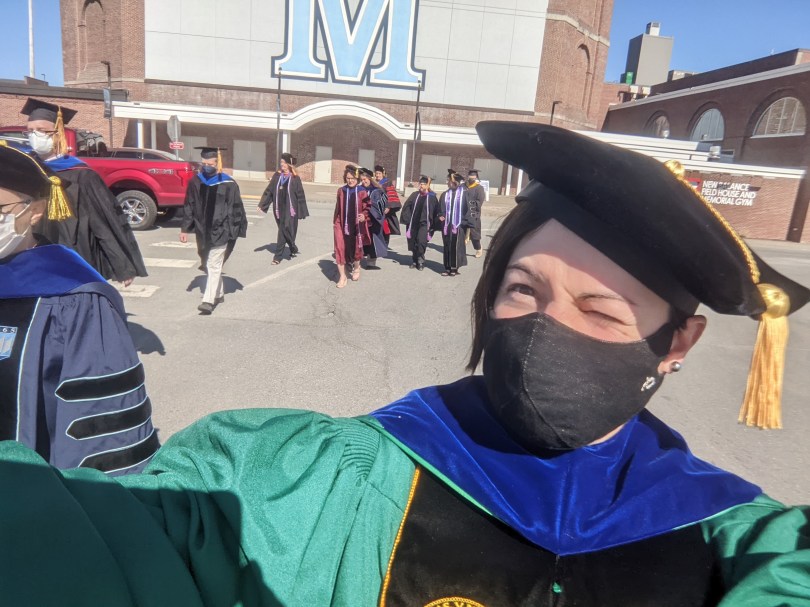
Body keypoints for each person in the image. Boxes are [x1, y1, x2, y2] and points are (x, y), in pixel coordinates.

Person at [1, 121, 810, 607]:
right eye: (523, 289)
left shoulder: (738, 543)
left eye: (601, 310)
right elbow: (107, 531)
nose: (544, 328)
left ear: (675, 345)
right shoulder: (325, 478)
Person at [0, 141, 159, 475]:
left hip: (28, 500)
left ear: (36, 211)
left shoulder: (76, 299)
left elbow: (102, 432)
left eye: (0, 209)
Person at [21, 98, 147, 285]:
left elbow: (104, 219)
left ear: (58, 133)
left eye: (41, 130)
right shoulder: (25, 169)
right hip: (33, 255)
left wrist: (122, 265)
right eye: (30, 131)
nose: (34, 136)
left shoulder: (81, 175)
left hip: (73, 253)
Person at [179, 147, 247, 315]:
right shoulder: (197, 181)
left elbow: (236, 209)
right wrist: (185, 228)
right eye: (204, 163)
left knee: (213, 263)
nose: (206, 166)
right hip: (203, 231)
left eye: (210, 163)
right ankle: (219, 293)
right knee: (210, 263)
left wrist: (233, 231)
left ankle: (208, 301)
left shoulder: (228, 183)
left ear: (217, 163)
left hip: (221, 230)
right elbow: (189, 205)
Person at [258, 152, 309, 265]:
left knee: (284, 229)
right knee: (284, 230)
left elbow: (300, 195)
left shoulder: (295, 178)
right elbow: (270, 191)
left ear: (289, 164)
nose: (281, 164)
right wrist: (262, 205)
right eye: (281, 162)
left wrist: (302, 211)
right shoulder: (277, 176)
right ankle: (292, 246)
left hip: (290, 209)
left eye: (283, 162)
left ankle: (277, 256)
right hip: (278, 208)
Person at [333, 167, 371, 287]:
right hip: (341, 223)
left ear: (357, 178)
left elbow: (368, 207)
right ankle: (343, 277)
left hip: (356, 225)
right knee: (339, 248)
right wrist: (335, 222)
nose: (350, 181)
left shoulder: (362, 191)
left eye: (353, 178)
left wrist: (364, 216)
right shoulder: (341, 191)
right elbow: (338, 208)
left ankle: (356, 267)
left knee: (355, 248)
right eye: (348, 178)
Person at [400, 175, 440, 270]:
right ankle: (415, 261)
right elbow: (406, 207)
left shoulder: (432, 197)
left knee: (421, 243)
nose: (421, 186)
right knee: (413, 243)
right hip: (413, 223)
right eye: (420, 184)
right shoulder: (415, 195)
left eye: (423, 184)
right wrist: (408, 219)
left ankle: (420, 261)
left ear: (427, 185)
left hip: (424, 224)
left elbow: (436, 211)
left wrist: (435, 223)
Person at [437, 169, 470, 276]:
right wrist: (440, 215)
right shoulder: (445, 195)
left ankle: (454, 268)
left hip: (458, 224)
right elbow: (440, 208)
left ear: (454, 182)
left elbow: (468, 209)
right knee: (447, 245)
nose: (447, 182)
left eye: (448, 180)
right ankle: (447, 268)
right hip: (447, 225)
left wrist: (464, 222)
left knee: (456, 246)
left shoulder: (464, 194)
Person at [358, 167, 388, 269]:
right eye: (361, 180)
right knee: (360, 239)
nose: (363, 181)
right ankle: (358, 259)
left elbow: (380, 207)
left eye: (365, 179)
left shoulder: (377, 190)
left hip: (373, 220)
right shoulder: (359, 190)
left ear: (370, 178)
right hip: (361, 220)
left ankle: (371, 262)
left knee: (373, 241)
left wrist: (368, 212)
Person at [375, 164, 402, 244]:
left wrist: (388, 207)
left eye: (379, 173)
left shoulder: (387, 182)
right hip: (376, 209)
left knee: (385, 227)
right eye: (376, 173)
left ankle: (385, 243)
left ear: (383, 174)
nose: (378, 175)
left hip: (384, 210)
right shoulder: (373, 183)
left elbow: (391, 195)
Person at [464, 167, 486, 258]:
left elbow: (479, 202)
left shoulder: (479, 188)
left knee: (475, 236)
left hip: (474, 215)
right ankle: (461, 250)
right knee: (461, 233)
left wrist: (469, 203)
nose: (472, 177)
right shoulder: (464, 186)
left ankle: (479, 248)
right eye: (470, 175)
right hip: (463, 214)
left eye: (474, 176)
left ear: (476, 177)